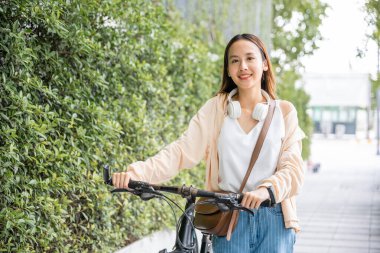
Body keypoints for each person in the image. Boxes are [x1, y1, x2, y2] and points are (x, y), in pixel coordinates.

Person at [112, 33, 305, 253]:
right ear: (229, 70)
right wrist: (136, 173)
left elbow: (293, 168)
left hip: (275, 218)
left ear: (264, 64)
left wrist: (266, 191)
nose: (243, 66)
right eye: (235, 60)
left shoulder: (284, 112)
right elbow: (181, 151)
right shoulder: (217, 109)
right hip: (229, 218)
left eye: (250, 58)